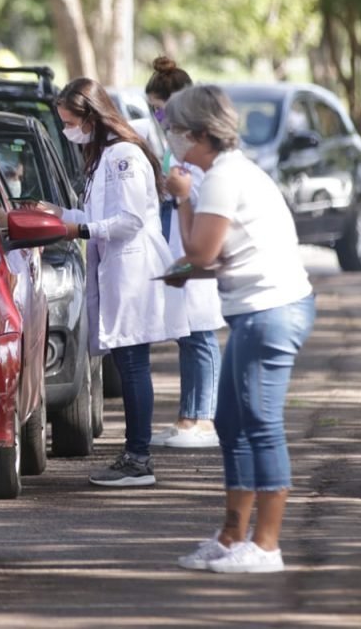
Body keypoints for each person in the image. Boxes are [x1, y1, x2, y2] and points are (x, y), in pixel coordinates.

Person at [160, 85, 316, 573]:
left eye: (175, 131)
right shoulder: (226, 174)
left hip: (269, 310)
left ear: (200, 134)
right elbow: (219, 258)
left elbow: (201, 253)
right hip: (257, 308)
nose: (171, 140)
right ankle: (233, 535)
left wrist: (181, 200)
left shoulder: (222, 179)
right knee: (230, 421)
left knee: (261, 424)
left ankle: (266, 545)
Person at [39, 77, 189, 487]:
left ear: (91, 115)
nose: (69, 130)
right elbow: (98, 215)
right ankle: (133, 454)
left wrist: (77, 232)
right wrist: (60, 214)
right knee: (127, 361)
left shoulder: (123, 156)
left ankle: (138, 459)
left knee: (133, 364)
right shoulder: (103, 156)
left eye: (71, 122)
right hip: (118, 269)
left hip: (133, 271)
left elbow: (128, 221)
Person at [144, 56, 225, 449]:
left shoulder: (201, 149)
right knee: (186, 334)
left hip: (196, 244)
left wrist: (176, 191)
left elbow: (200, 193)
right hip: (179, 242)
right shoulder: (173, 145)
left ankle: (205, 419)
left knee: (201, 334)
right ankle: (188, 416)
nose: (157, 120)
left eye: (160, 111)